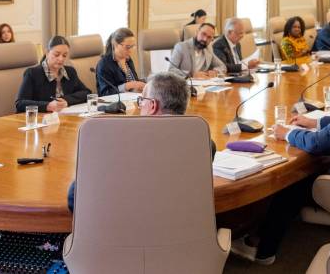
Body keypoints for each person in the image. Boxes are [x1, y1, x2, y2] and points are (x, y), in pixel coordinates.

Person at [230, 52, 330, 264]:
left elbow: (320, 144)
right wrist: (314, 122)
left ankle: (262, 249)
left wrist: (287, 133)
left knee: (289, 184)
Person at [67, 72, 215, 211]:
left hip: (125, 233)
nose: (140, 106)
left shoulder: (122, 150)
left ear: (152, 106)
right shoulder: (204, 144)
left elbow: (74, 197)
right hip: (183, 230)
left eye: (142, 101)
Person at [15, 36, 90, 113]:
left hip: (65, 118)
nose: (61, 59)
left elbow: (87, 93)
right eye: (56, 54)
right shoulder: (32, 73)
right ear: (47, 53)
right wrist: (47, 106)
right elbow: (20, 103)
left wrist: (66, 100)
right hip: (41, 120)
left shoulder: (70, 72)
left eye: (64, 55)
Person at [95, 28, 145, 96]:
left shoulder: (128, 59)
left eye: (133, 46)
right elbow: (105, 93)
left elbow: (134, 83)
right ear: (115, 44)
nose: (131, 50)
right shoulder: (104, 64)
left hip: (132, 99)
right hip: (115, 104)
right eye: (127, 47)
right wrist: (127, 86)